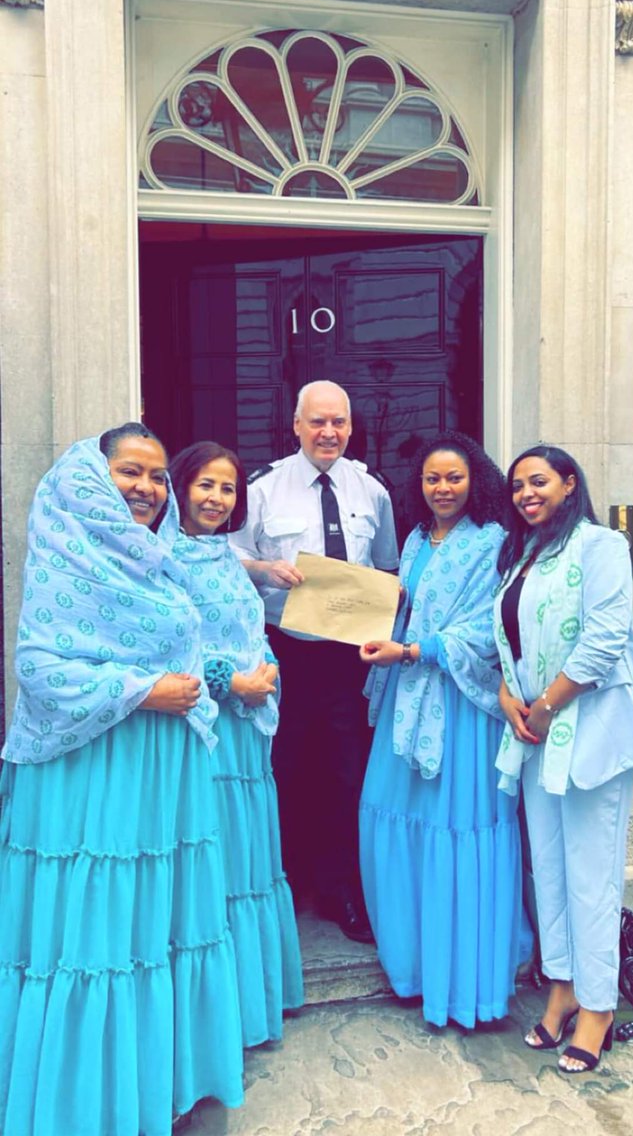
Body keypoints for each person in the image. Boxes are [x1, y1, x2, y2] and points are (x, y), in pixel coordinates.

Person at [0, 423, 244, 1136]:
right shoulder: (64, 554)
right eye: (130, 472)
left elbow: (199, 648)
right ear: (91, 480)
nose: (147, 488)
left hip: (162, 777)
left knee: (156, 931)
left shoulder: (163, 559)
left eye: (159, 475)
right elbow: (41, 668)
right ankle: (90, 1107)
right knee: (98, 932)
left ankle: (158, 1088)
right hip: (94, 777)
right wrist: (143, 691)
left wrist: (205, 681)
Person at [494, 445, 633, 1074]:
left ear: (569, 483)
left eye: (538, 481)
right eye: (517, 486)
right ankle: (561, 985)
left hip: (588, 734)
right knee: (553, 873)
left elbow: (605, 635)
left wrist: (548, 704)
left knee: (593, 879)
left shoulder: (599, 547)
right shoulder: (523, 556)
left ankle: (599, 1006)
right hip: (536, 740)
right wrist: (511, 698)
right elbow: (506, 642)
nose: (526, 494)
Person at [358, 432, 523, 1027]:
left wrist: (416, 648)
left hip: (461, 707)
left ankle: (465, 987)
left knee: (458, 832)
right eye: (432, 479)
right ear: (419, 485)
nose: (443, 488)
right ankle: (413, 968)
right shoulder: (413, 538)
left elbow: (490, 627)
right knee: (388, 822)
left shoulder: (497, 542)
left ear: (475, 480)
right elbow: (405, 606)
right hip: (406, 698)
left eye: (454, 477)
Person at [229, 380, 399, 942]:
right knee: (285, 767)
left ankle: (342, 889)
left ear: (352, 427)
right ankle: (286, 884)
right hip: (285, 653)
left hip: (350, 659)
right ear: (296, 425)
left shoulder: (372, 491)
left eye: (339, 423)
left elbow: (388, 567)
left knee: (348, 772)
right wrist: (263, 570)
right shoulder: (262, 490)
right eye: (318, 422)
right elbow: (225, 559)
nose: (329, 433)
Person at [169, 440, 304, 1048]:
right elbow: (171, 644)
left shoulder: (224, 553)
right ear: (180, 486)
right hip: (207, 733)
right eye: (205, 485)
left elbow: (249, 626)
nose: (216, 499)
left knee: (250, 859)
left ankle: (257, 1003)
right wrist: (230, 681)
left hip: (248, 732)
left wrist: (267, 669)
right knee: (216, 864)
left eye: (227, 489)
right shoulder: (161, 554)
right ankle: (218, 1019)